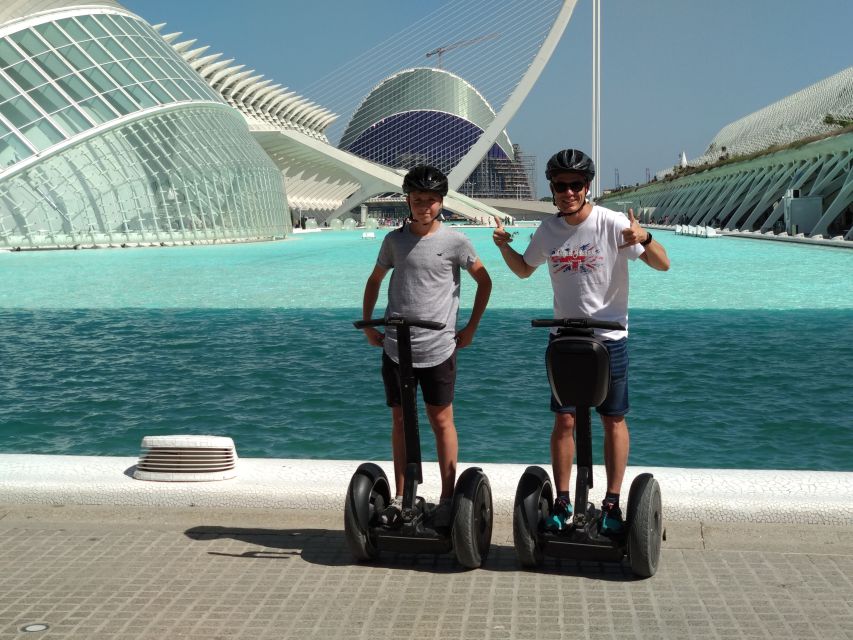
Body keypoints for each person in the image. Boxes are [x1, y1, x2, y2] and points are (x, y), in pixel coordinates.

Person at [492, 148, 670, 535]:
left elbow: (662, 263)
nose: (569, 192)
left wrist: (646, 236)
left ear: (587, 187)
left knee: (613, 418)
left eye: (576, 185)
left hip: (608, 337)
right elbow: (524, 270)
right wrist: (504, 247)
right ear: (552, 189)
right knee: (565, 419)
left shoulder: (613, 223)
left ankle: (611, 502)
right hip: (564, 338)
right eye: (561, 186)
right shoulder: (548, 231)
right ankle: (562, 499)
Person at [361, 165, 492, 527]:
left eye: (432, 201)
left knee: (440, 419)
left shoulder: (456, 242)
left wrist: (471, 327)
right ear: (407, 200)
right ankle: (404, 497)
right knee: (400, 419)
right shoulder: (394, 241)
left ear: (441, 203)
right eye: (418, 200)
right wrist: (368, 324)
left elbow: (484, 282)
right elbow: (374, 280)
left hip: (438, 347)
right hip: (395, 347)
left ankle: (448, 498)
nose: (424, 207)